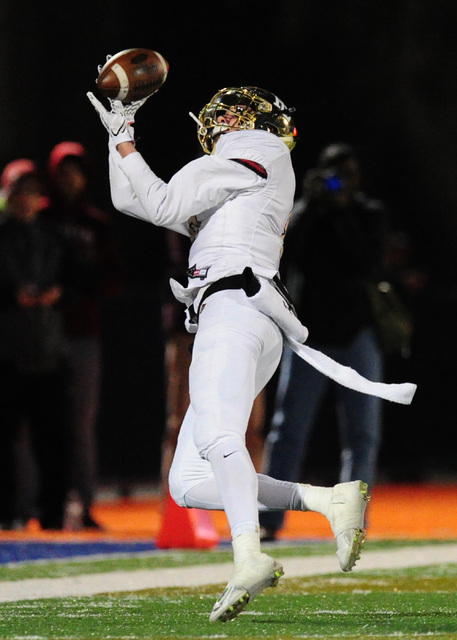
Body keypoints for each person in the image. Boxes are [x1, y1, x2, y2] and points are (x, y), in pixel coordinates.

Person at [87, 83, 415, 622]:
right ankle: (329, 501)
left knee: (219, 437)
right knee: (189, 482)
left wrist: (124, 134)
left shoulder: (254, 150)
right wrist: (116, 139)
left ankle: (248, 556)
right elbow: (132, 199)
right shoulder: (242, 176)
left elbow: (162, 198)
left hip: (236, 307)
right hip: (245, 312)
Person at [259, 143, 390, 541]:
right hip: (310, 338)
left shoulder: (367, 213)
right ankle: (269, 519)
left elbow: (367, 262)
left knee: (363, 433)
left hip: (356, 333)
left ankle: (352, 521)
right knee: (288, 430)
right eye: (333, 175)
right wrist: (312, 206)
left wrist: (340, 210)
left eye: (346, 176)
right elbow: (285, 253)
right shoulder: (309, 211)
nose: (340, 184)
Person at [42, 141, 124, 529]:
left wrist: (79, 287)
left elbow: (113, 278)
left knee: (81, 425)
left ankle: (83, 504)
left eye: (76, 170)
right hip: (39, 334)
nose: (69, 179)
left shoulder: (96, 224)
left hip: (82, 333)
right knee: (34, 422)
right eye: (63, 171)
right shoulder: (40, 219)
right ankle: (35, 504)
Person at [0, 167, 78, 529]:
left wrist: (58, 293)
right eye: (18, 190)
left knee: (54, 440)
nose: (24, 198)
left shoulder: (55, 236)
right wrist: (13, 296)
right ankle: (7, 513)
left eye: (31, 190)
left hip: (49, 349)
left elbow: (84, 282)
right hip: (8, 352)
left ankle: (52, 514)